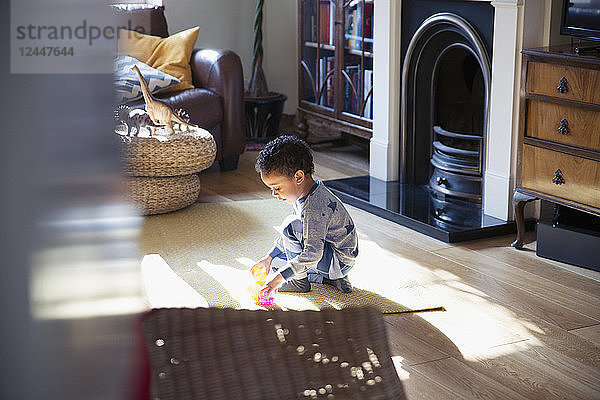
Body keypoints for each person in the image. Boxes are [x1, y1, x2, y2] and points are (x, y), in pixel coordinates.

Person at [253, 135, 358, 299]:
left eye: (277, 188)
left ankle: (299, 283)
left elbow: (312, 253)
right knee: (278, 265)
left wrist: (278, 280)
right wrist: (269, 257)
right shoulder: (307, 193)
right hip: (336, 259)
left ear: (298, 177)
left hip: (336, 260)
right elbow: (302, 237)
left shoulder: (314, 207)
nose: (274, 194)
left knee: (290, 230)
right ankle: (330, 279)